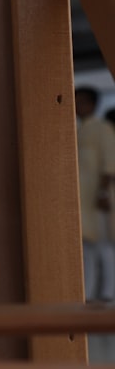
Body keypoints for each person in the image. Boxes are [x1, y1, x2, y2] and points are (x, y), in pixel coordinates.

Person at [76, 87, 115, 303]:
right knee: (86, 246)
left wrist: (103, 193)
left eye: (82, 102)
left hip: (98, 199)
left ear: (92, 104)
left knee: (104, 245)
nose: (77, 107)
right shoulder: (79, 130)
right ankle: (88, 293)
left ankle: (108, 292)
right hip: (82, 199)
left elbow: (110, 164)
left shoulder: (103, 129)